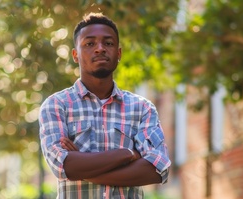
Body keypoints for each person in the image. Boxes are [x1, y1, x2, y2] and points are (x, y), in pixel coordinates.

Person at [38, 12, 171, 198]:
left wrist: (83, 167)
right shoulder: (56, 105)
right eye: (89, 44)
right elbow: (63, 166)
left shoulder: (142, 108)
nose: (100, 49)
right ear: (75, 55)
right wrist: (127, 154)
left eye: (108, 43)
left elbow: (157, 169)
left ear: (119, 53)